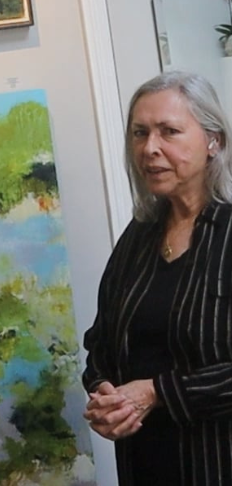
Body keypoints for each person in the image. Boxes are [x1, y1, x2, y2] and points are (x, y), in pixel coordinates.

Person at [82, 70, 232, 486]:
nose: (150, 148)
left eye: (169, 131)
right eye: (140, 133)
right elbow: (101, 341)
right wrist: (106, 395)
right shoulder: (139, 234)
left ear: (213, 141)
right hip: (145, 464)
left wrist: (157, 393)